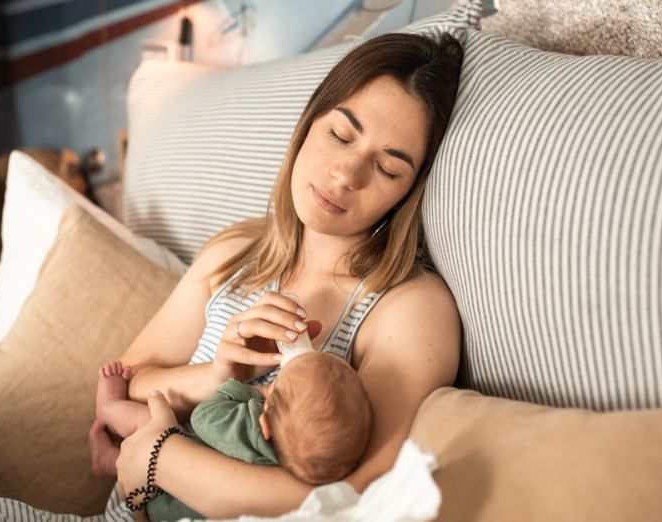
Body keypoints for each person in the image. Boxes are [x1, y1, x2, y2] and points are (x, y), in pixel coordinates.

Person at [92, 29, 465, 520]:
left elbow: (354, 493)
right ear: (308, 123)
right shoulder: (235, 252)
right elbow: (125, 383)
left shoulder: (410, 308)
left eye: (388, 167)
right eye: (340, 134)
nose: (346, 175)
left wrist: (159, 457)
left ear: (410, 191)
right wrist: (218, 375)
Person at [90, 349, 373, 521]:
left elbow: (204, 417)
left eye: (275, 386)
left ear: (265, 423)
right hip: (174, 506)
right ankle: (108, 459)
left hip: (168, 501)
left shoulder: (250, 430)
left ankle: (107, 408)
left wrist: (251, 390)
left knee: (151, 421)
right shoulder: (303, 465)